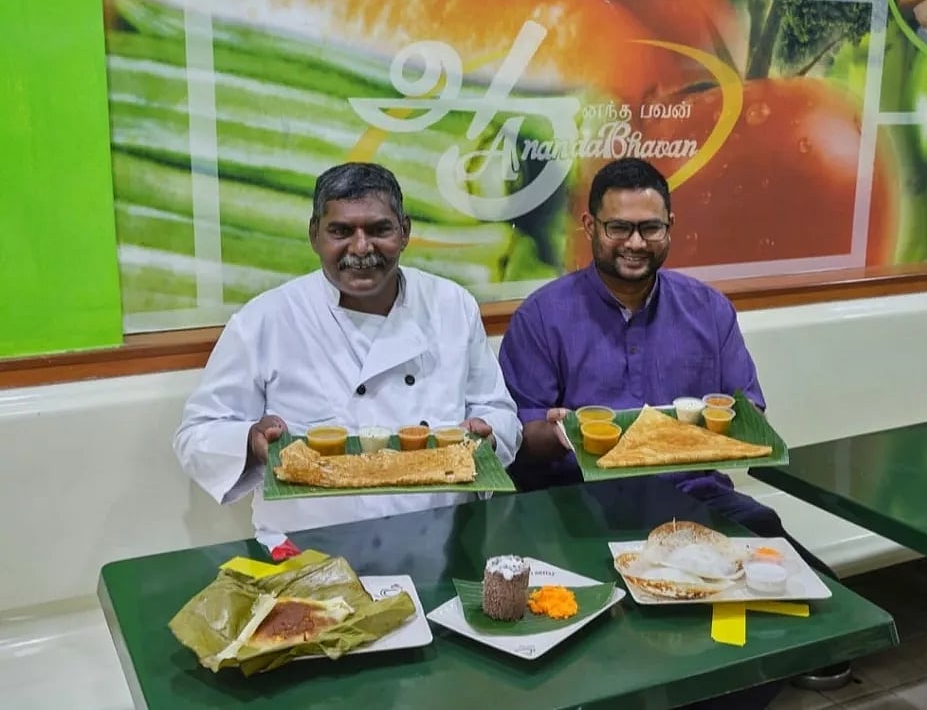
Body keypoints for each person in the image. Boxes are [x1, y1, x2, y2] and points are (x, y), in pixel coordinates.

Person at [497, 157, 850, 694]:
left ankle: (749, 681)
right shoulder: (544, 316)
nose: (634, 242)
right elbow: (517, 442)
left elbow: (747, 415)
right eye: (619, 227)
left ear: (670, 227)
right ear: (591, 227)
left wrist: (728, 425)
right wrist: (556, 432)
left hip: (696, 499)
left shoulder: (707, 310)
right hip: (579, 510)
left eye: (650, 227)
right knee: (606, 648)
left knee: (815, 589)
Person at [173, 162, 522, 557]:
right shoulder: (266, 319)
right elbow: (196, 434)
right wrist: (251, 441)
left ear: (404, 232)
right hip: (309, 553)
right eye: (341, 231)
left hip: (440, 544)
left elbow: (499, 412)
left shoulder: (452, 305)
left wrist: (489, 432)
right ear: (314, 234)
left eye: (379, 230)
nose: (361, 248)